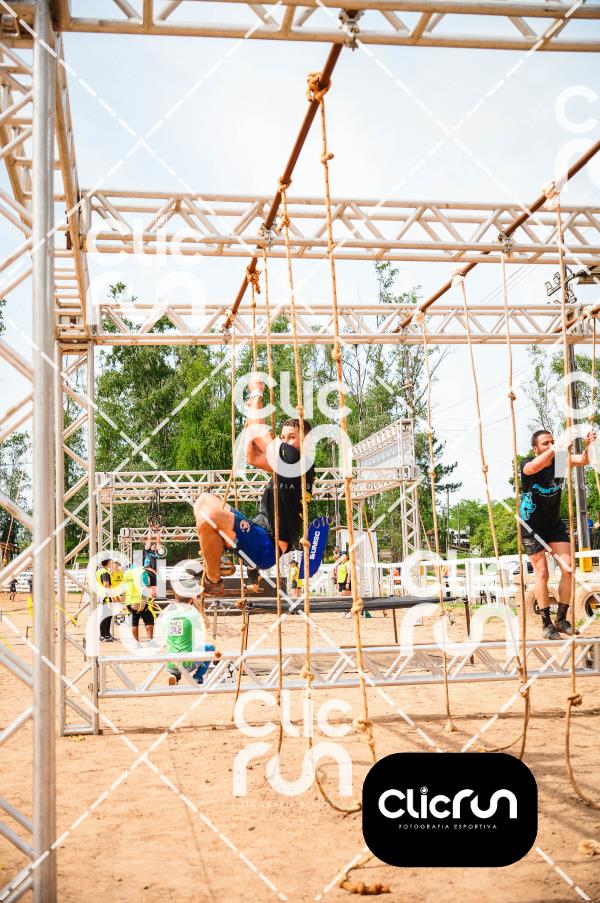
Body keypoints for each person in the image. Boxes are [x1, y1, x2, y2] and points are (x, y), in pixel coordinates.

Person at [194, 375, 315, 595]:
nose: (285, 442)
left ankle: (213, 579)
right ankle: (220, 557)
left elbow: (259, 433)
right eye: (283, 437)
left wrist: (256, 393)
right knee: (204, 501)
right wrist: (251, 425)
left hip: (268, 546)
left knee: (209, 513)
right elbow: (253, 457)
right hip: (259, 531)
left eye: (292, 437)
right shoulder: (293, 466)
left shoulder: (296, 459)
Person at [519, 427, 596, 639]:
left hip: (553, 526)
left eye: (552, 441)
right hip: (531, 526)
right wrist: (557, 447)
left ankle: (561, 619)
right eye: (546, 443)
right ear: (535, 449)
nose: (551, 445)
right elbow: (533, 468)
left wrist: (589, 445)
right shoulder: (528, 463)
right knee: (542, 572)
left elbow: (583, 460)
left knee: (569, 568)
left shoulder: (559, 462)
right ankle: (546, 624)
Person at [163, 590, 216, 685]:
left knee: (177, 646)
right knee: (210, 648)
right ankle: (198, 677)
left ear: (176, 599)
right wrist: (197, 605)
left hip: (170, 663)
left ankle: (174, 675)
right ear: (191, 600)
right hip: (188, 664)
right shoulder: (192, 615)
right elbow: (207, 625)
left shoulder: (167, 615)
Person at [123, 563, 155, 641]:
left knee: (134, 621)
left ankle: (136, 641)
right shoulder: (142, 572)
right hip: (141, 600)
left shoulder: (126, 573)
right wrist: (150, 597)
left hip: (129, 600)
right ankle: (150, 639)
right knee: (149, 619)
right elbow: (146, 587)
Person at [96, 557, 115, 643]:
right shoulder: (104, 572)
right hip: (106, 596)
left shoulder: (102, 571)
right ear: (108, 562)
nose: (112, 563)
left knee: (108, 615)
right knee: (105, 616)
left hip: (104, 596)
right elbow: (106, 584)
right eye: (111, 562)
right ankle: (103, 635)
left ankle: (107, 634)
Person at [142, 531, 160, 604]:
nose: (154, 545)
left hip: (154, 573)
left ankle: (149, 605)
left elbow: (158, 543)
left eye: (154, 545)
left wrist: (158, 533)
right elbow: (149, 540)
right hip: (147, 571)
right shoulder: (147, 551)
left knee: (154, 594)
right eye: (152, 545)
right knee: (147, 590)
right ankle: (144, 603)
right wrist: (150, 530)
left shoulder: (157, 553)